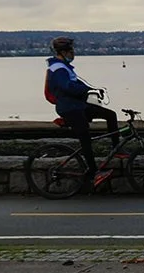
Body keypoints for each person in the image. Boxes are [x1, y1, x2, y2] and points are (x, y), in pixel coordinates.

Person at [45, 37, 117, 187]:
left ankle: (116, 150)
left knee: (110, 115)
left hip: (78, 106)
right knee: (86, 139)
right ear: (64, 52)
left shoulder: (64, 66)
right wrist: (85, 91)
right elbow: (68, 87)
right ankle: (93, 173)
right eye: (71, 50)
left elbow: (77, 82)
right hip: (70, 109)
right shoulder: (58, 68)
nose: (74, 53)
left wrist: (93, 90)